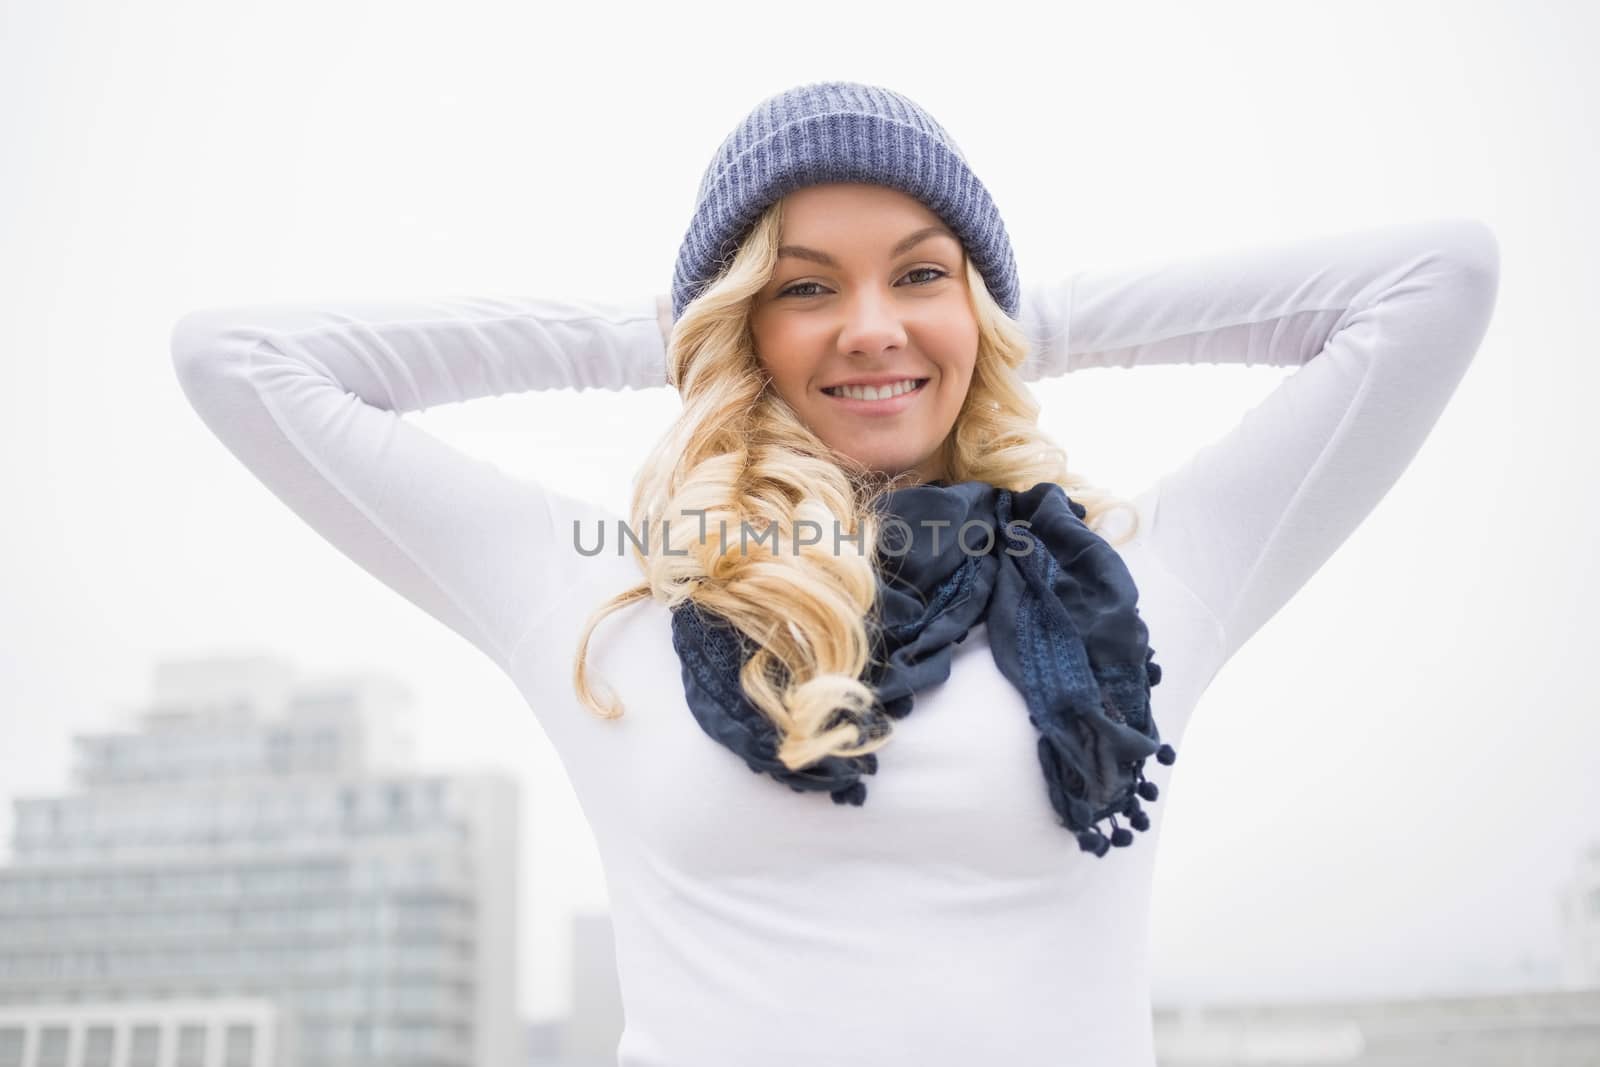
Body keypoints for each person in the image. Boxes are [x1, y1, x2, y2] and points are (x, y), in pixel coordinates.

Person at [169, 80, 1500, 1066]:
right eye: (805, 289)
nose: (870, 327)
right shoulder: (609, 600)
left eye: (918, 273)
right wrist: (687, 333)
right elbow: (241, 361)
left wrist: (997, 321)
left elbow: (1436, 281)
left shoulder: (1137, 582)